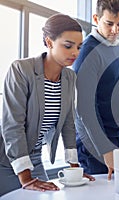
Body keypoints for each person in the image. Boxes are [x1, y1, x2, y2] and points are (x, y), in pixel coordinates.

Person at [0, 13, 94, 197]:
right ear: (49, 42)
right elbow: (12, 125)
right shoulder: (21, 70)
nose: (75, 52)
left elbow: (68, 124)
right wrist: (25, 177)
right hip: (5, 159)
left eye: (79, 47)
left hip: (34, 156)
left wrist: (74, 170)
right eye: (68, 46)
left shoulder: (69, 77)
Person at [72, 0, 119, 180]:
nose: (115, 30)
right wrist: (105, 150)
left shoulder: (118, 49)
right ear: (96, 19)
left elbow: (118, 92)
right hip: (92, 143)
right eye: (109, 24)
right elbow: (84, 108)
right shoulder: (87, 52)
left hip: (114, 136)